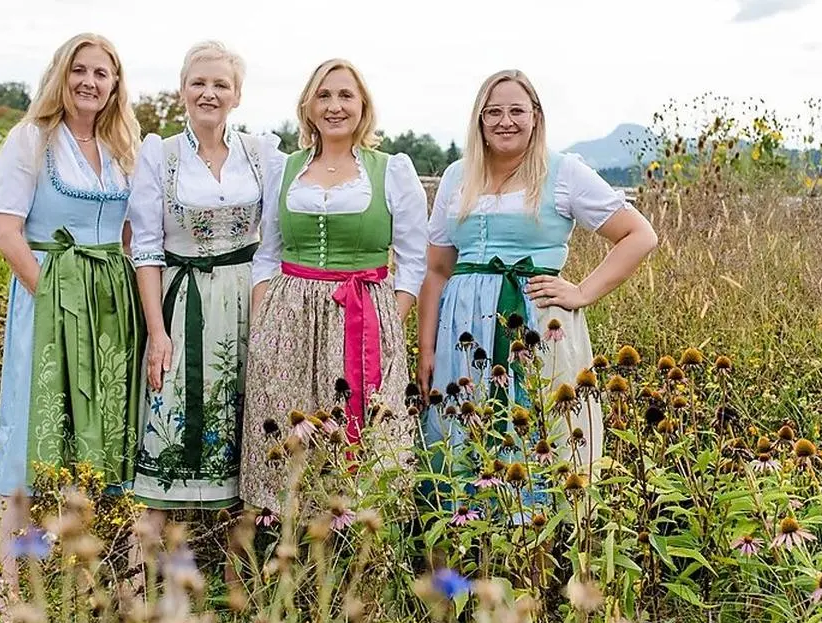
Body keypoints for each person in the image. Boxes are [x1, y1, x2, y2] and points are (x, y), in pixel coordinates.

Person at [416, 69, 657, 516]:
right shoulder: (455, 175)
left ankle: (535, 552)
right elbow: (435, 270)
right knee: (458, 430)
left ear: (535, 116)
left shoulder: (564, 172)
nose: (505, 121)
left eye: (516, 111)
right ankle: (463, 556)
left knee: (540, 426)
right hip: (462, 326)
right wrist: (426, 347)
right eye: (493, 112)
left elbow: (639, 235)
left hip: (534, 318)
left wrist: (582, 291)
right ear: (479, 119)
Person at [0, 32, 142, 618]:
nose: (90, 82)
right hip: (49, 296)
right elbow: (8, 231)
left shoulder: (120, 147)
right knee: (31, 428)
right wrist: (50, 297)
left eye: (103, 74)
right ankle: (9, 583)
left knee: (100, 429)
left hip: (109, 306)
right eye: (80, 70)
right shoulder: (32, 140)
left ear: (115, 85)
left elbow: (129, 233)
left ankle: (86, 576)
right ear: (62, 74)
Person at [239, 58, 429, 517]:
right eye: (324, 95)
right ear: (308, 106)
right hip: (288, 320)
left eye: (345, 95)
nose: (334, 105)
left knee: (362, 432)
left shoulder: (391, 170)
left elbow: (413, 259)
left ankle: (362, 555)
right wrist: (267, 319)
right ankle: (288, 550)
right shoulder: (285, 170)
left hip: (363, 316)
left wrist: (387, 319)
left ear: (363, 105)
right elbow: (267, 251)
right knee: (287, 427)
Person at [127, 41, 284, 510]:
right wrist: (157, 331)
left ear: (237, 95)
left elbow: (272, 247)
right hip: (182, 299)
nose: (209, 93)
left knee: (244, 412)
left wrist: (264, 322)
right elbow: (147, 246)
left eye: (221, 84)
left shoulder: (263, 154)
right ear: (182, 92)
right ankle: (154, 558)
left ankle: (235, 562)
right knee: (172, 404)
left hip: (245, 298)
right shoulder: (160, 154)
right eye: (199, 83)